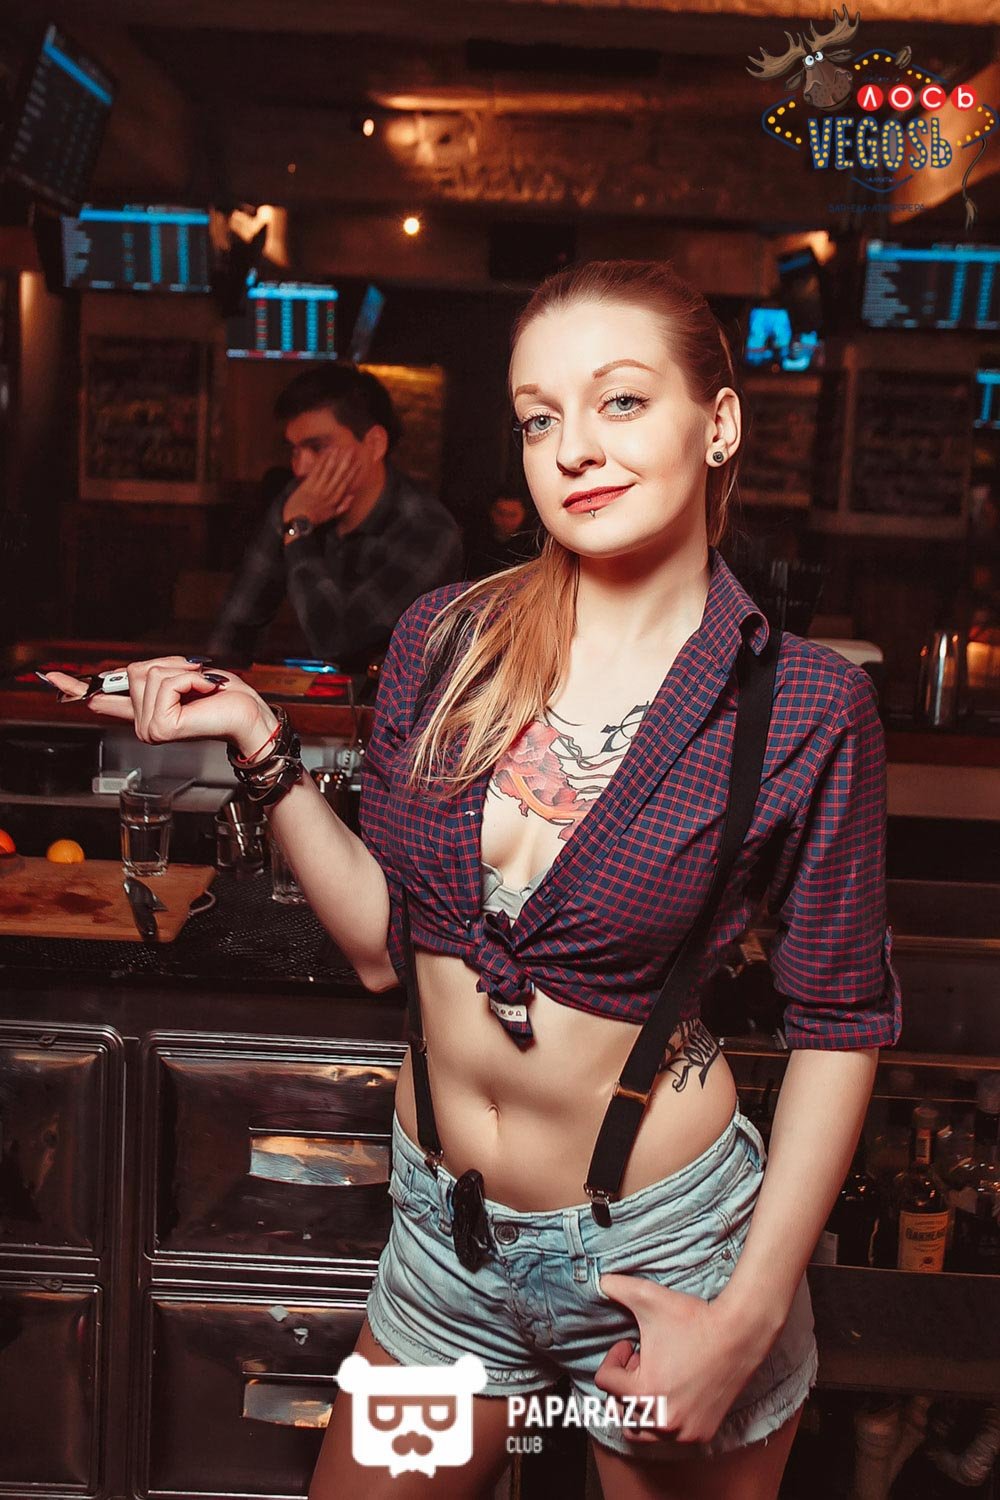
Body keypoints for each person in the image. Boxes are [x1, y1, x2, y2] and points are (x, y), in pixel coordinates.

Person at [46, 259, 901, 1499]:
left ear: (717, 423)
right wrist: (258, 739)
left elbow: (839, 1023)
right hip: (445, 1240)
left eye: (620, 401)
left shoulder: (804, 706)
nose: (573, 449)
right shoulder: (450, 640)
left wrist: (749, 1315)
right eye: (539, 418)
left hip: (665, 1255)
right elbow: (382, 949)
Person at [208, 363, 464, 671]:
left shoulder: (427, 528)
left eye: (317, 448)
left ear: (375, 444)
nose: (300, 468)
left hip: (396, 699)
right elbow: (236, 624)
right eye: (294, 450)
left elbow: (338, 641)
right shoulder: (296, 501)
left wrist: (299, 532)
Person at [465, 490, 538, 578]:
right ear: (491, 511)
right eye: (500, 513)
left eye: (512, 515)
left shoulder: (532, 546)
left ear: (524, 514)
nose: (506, 520)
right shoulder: (475, 542)